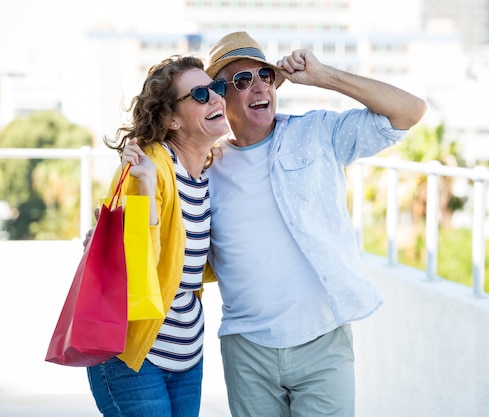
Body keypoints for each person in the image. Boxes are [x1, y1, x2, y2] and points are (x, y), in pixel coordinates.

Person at [204, 31, 427, 417]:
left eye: (266, 76)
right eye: (243, 80)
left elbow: (408, 112)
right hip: (247, 351)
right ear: (221, 96)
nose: (259, 87)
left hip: (323, 344)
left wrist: (324, 76)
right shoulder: (206, 168)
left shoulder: (316, 132)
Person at [86, 55, 230, 417]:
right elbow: (134, 268)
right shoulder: (149, 165)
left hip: (187, 357)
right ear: (171, 119)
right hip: (133, 354)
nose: (216, 98)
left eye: (216, 88)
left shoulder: (209, 174)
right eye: (200, 94)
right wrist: (147, 187)